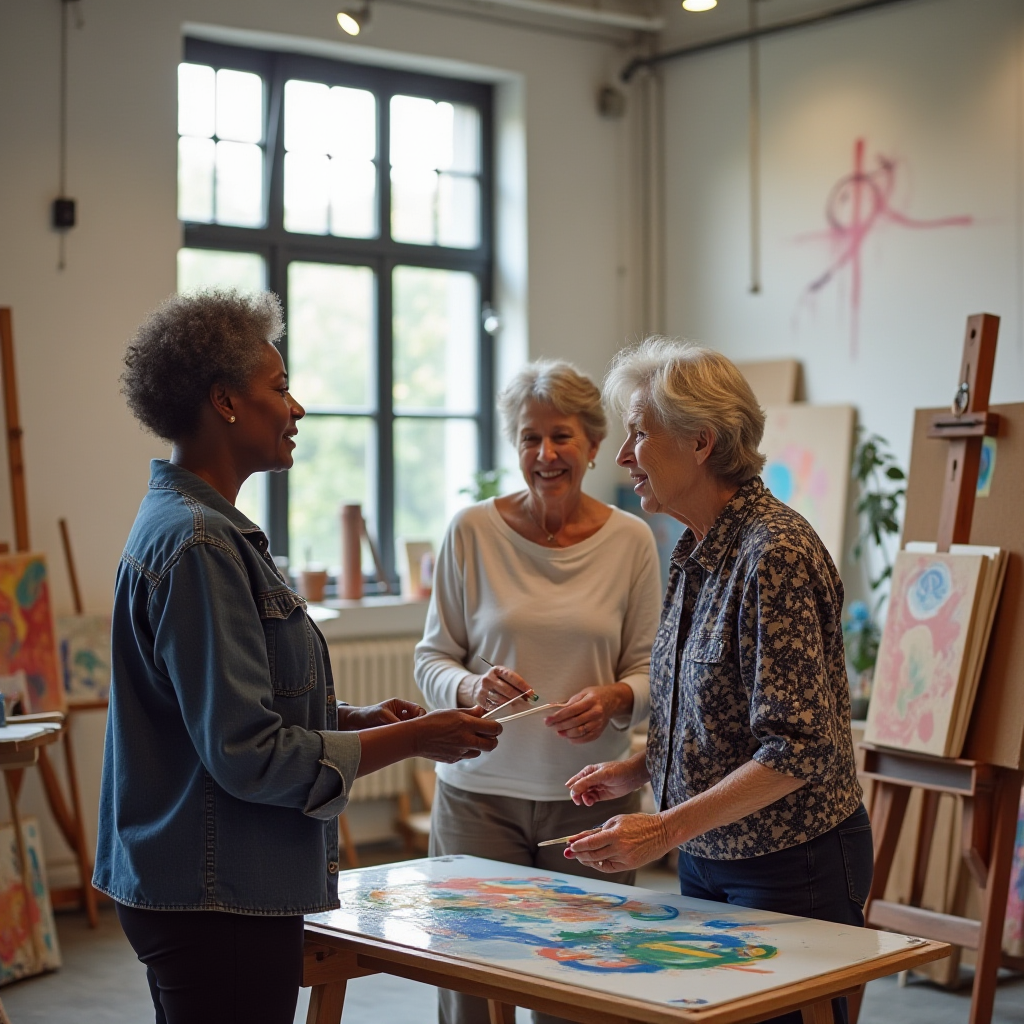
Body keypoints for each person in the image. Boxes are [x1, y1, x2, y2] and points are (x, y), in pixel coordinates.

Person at [93, 291, 502, 1024]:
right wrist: (412, 739)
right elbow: (248, 751)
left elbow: (228, 702)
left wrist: (353, 718)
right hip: (217, 896)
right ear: (224, 401)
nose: (297, 408)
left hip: (206, 886)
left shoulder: (200, 528)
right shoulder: (202, 545)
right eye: (279, 388)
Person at [563, 338, 872, 1024]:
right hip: (705, 856)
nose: (621, 456)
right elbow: (714, 717)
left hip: (792, 866)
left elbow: (795, 750)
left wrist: (661, 828)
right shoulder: (694, 547)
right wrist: (638, 768)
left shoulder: (776, 553)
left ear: (700, 442)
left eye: (639, 434)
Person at [415, 359, 663, 1024]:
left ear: (592, 443)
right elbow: (431, 657)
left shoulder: (632, 540)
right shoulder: (470, 531)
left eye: (561, 436)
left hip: (589, 798)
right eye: (529, 438)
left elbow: (651, 671)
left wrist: (616, 698)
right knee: (471, 992)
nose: (545, 454)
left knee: (581, 995)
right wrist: (471, 682)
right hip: (477, 800)